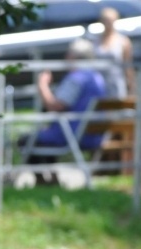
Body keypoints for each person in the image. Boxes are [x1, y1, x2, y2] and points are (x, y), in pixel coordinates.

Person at [21, 38, 106, 186]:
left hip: (72, 135)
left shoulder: (76, 78)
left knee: (26, 140)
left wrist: (42, 85)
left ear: (73, 57)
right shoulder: (97, 77)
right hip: (94, 135)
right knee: (44, 137)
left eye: (68, 54)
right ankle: (52, 178)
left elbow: (54, 106)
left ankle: (43, 181)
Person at [92, 7, 134, 98]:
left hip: (116, 82)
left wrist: (131, 87)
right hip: (99, 83)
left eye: (110, 20)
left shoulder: (123, 41)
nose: (108, 23)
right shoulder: (95, 41)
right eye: (105, 20)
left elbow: (128, 66)